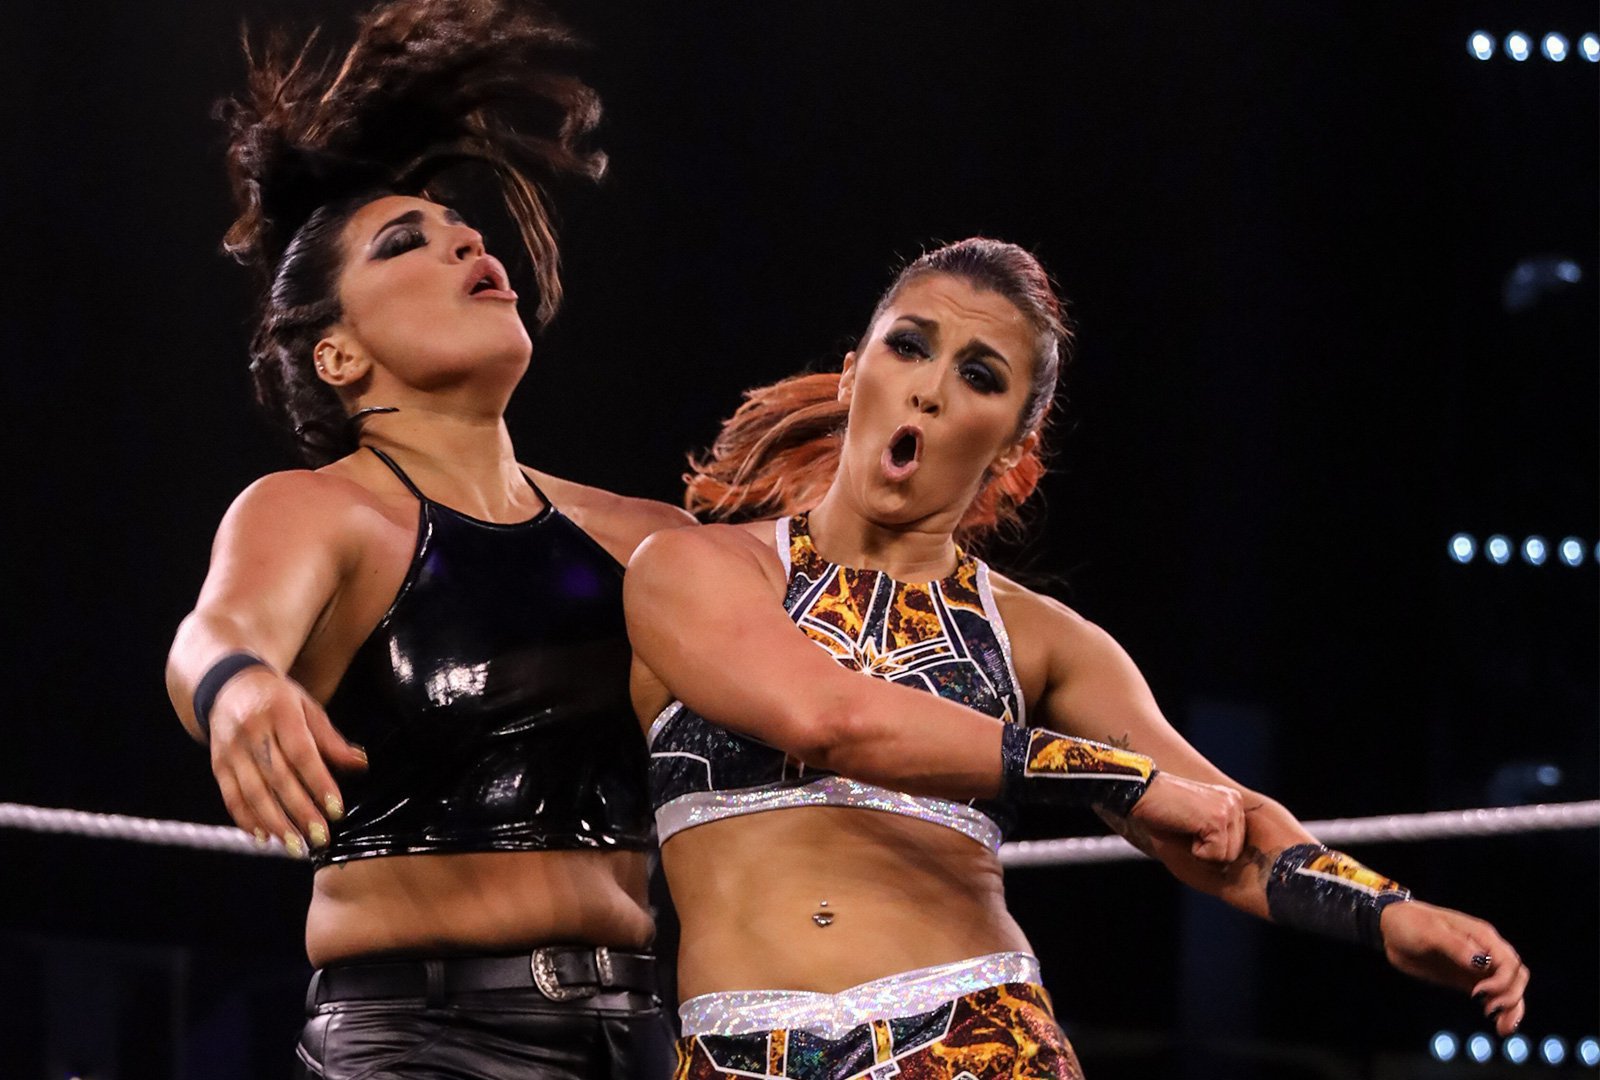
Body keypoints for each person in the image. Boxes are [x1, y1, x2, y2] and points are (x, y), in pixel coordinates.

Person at [625, 238, 1530, 1079]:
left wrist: (1387, 913)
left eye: (978, 375)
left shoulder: (1042, 639)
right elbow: (832, 719)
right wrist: (1128, 780)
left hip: (977, 1039)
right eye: (909, 346)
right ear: (855, 372)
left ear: (1015, 450)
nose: (929, 390)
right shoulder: (694, 570)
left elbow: (1218, 822)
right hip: (735, 1052)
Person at [163, 2, 686, 1075]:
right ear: (337, 356)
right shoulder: (319, 511)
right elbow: (216, 634)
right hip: (421, 1041)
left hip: (637, 1032)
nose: (467, 241)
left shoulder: (650, 537)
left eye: (462, 231)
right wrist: (239, 692)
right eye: (406, 243)